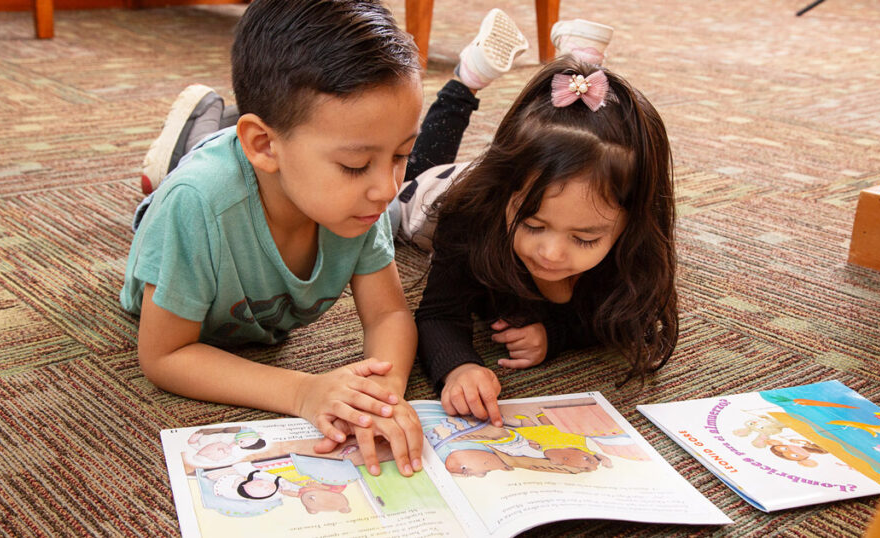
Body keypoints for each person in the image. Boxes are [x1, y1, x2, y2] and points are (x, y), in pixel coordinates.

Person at [120, 0, 425, 477]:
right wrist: (303, 391)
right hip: (185, 211)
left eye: (403, 153)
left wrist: (378, 402)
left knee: (230, 155)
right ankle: (195, 128)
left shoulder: (360, 201)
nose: (387, 188)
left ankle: (206, 128)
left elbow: (388, 313)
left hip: (253, 170)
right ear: (264, 145)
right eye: (354, 164)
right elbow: (165, 355)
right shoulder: (195, 205)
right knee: (181, 176)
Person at [392, 12, 678, 427]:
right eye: (533, 225)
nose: (551, 252)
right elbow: (438, 313)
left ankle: (577, 65)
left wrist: (556, 335)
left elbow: (634, 317)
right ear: (507, 197)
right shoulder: (468, 216)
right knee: (417, 166)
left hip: (533, 177)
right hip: (433, 197)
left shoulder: (632, 242)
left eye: (584, 238)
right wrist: (459, 367)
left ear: (630, 224)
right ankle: (467, 78)